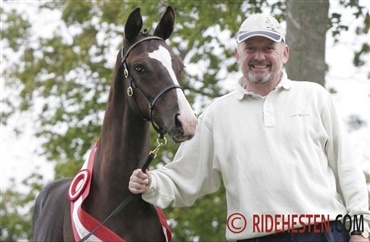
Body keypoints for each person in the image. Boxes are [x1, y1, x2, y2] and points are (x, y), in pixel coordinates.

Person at [129, 14, 370, 242]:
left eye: (268, 48)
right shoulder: (216, 115)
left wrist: (361, 230)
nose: (259, 57)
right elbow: (184, 177)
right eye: (250, 49)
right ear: (237, 54)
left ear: (284, 53)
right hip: (255, 237)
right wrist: (151, 184)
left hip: (324, 232)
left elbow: (346, 168)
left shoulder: (315, 97)